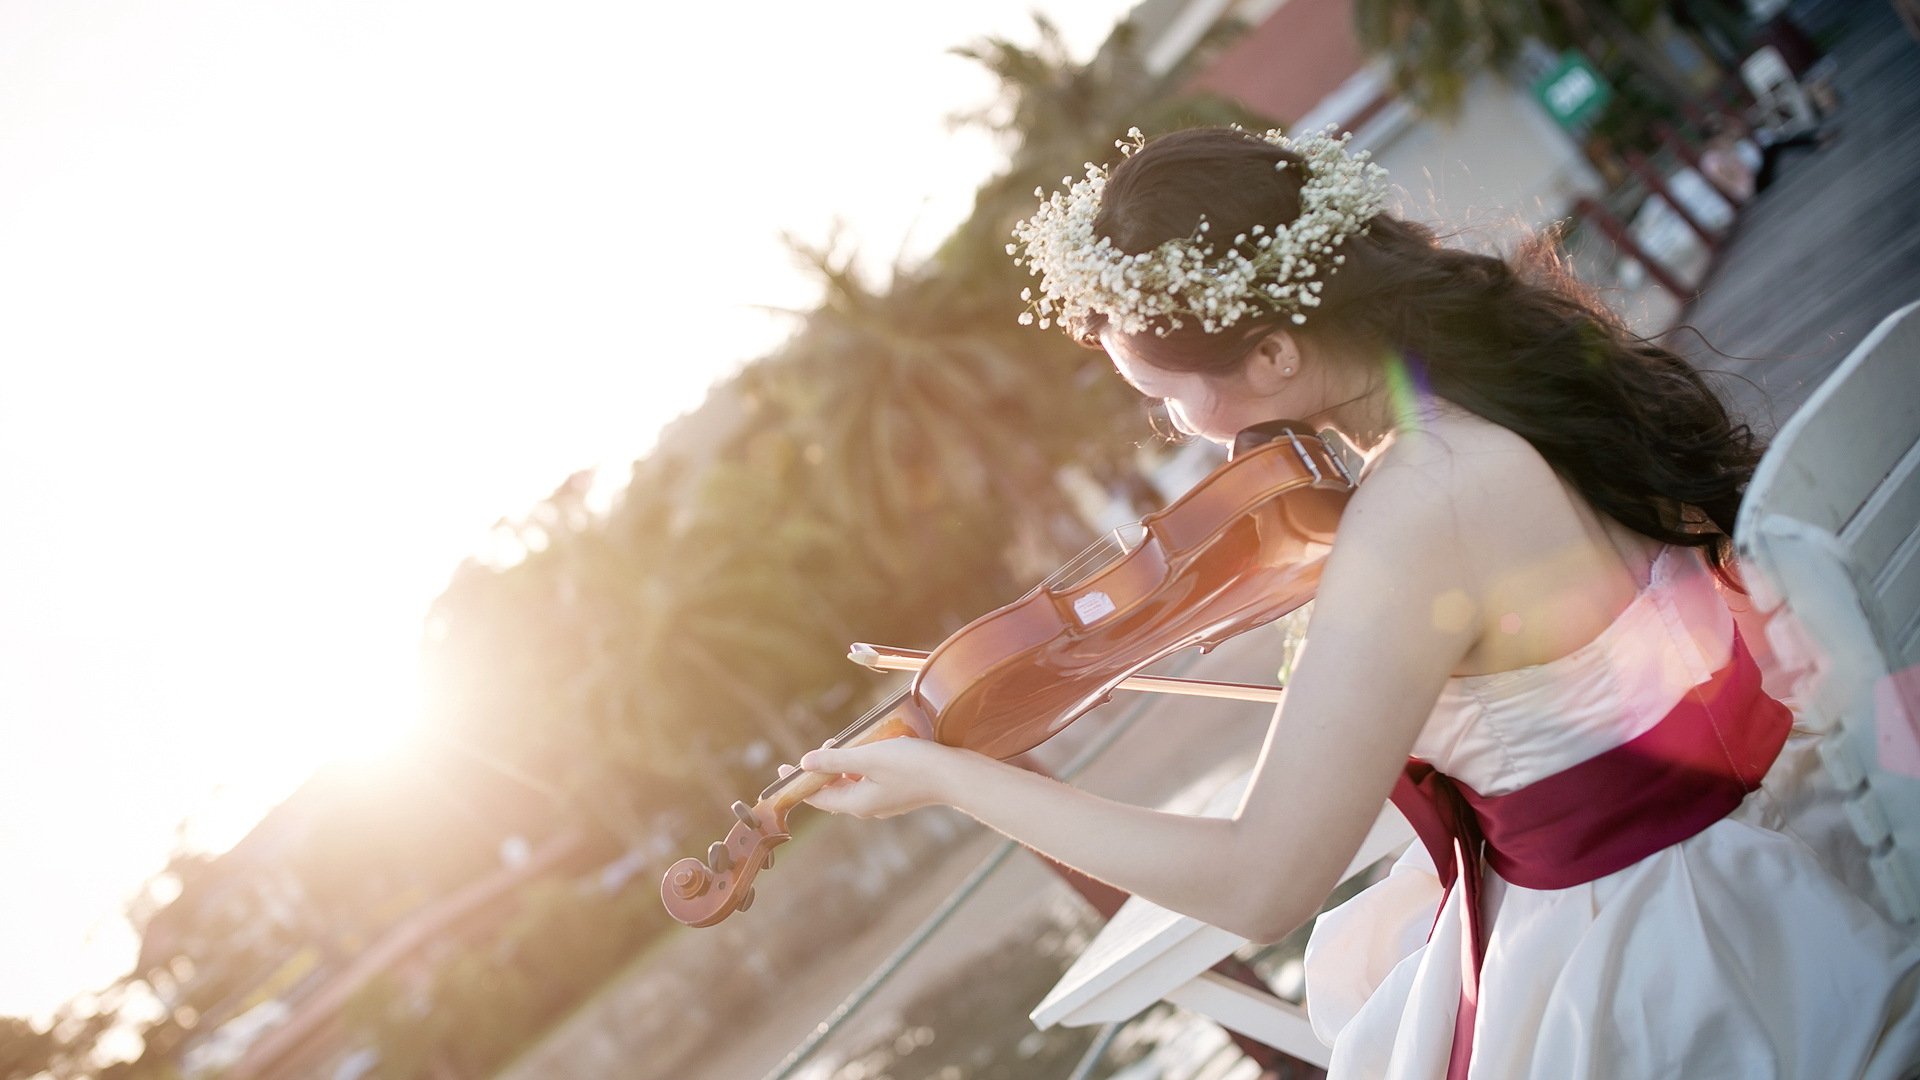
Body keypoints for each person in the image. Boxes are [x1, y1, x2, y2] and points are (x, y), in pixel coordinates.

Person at [794, 125, 1920, 1077]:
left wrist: (949, 776)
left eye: (1167, 399)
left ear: (1276, 353)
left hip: (1667, 947)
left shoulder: (1418, 504)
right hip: (1793, 825)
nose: (1184, 433)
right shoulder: (1531, 372)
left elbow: (1264, 882)